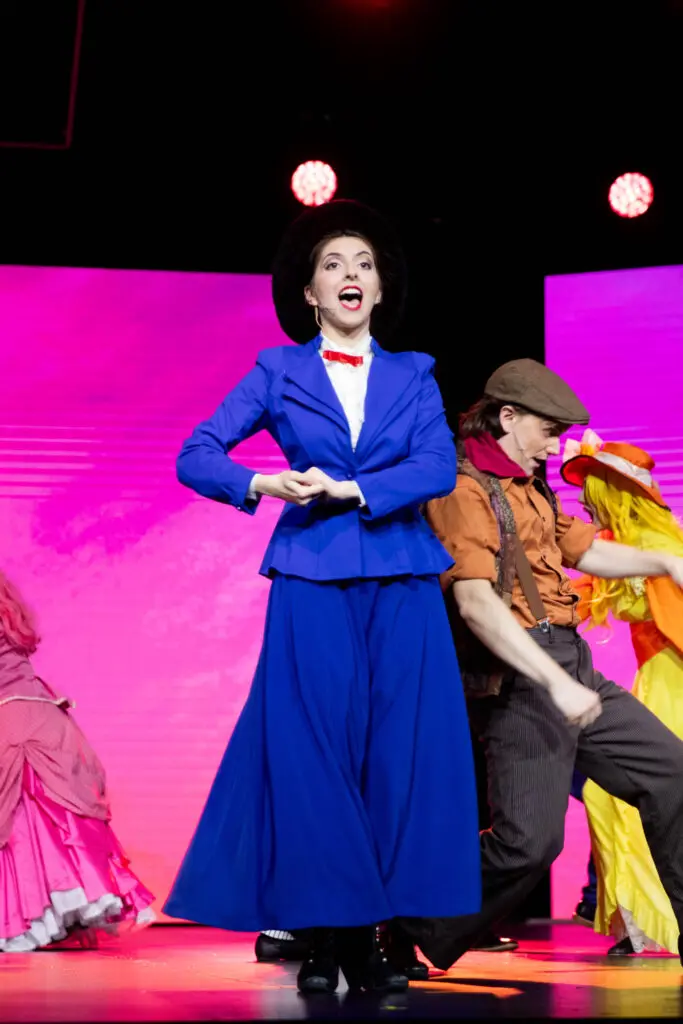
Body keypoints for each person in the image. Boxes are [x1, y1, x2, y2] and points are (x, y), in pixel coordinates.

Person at [162, 199, 481, 994]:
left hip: (402, 577)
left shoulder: (415, 372)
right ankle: (331, 934)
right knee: (314, 754)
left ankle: (373, 937)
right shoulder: (277, 369)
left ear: (378, 291)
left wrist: (355, 487)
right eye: (333, 265)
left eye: (363, 265)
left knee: (395, 758)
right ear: (309, 292)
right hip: (311, 575)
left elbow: (436, 468)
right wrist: (261, 481)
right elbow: (194, 454)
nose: (350, 275)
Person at [394, 358, 683, 971]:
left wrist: (663, 563)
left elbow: (582, 548)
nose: (555, 446)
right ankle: (402, 916)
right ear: (507, 417)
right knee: (529, 844)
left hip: (570, 663)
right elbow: (474, 604)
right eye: (548, 431)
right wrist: (555, 684)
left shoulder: (531, 486)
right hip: (524, 678)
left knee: (673, 774)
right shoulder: (462, 488)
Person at [562, 433, 683, 957]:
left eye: (594, 493)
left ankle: (654, 922)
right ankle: (639, 924)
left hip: (672, 677)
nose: (587, 504)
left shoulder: (663, 549)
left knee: (630, 795)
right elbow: (590, 592)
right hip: (655, 676)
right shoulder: (629, 548)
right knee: (609, 795)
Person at [0, 571, 154, 952]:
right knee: (56, 824)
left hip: (10, 723)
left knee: (22, 825)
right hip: (44, 719)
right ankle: (65, 916)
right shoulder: (7, 612)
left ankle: (30, 922)